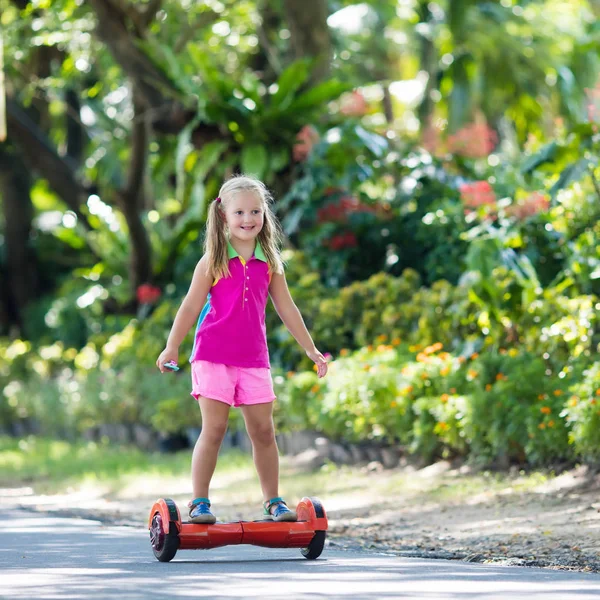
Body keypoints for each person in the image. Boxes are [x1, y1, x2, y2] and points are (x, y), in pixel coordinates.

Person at [156, 174, 328, 525]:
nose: (248, 219)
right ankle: (200, 502)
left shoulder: (271, 262)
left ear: (264, 214)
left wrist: (311, 349)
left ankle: (273, 502)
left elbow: (287, 308)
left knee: (263, 432)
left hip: (253, 360)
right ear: (224, 216)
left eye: (255, 212)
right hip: (212, 356)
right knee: (214, 429)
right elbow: (189, 307)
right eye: (240, 213)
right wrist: (171, 346)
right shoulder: (212, 261)